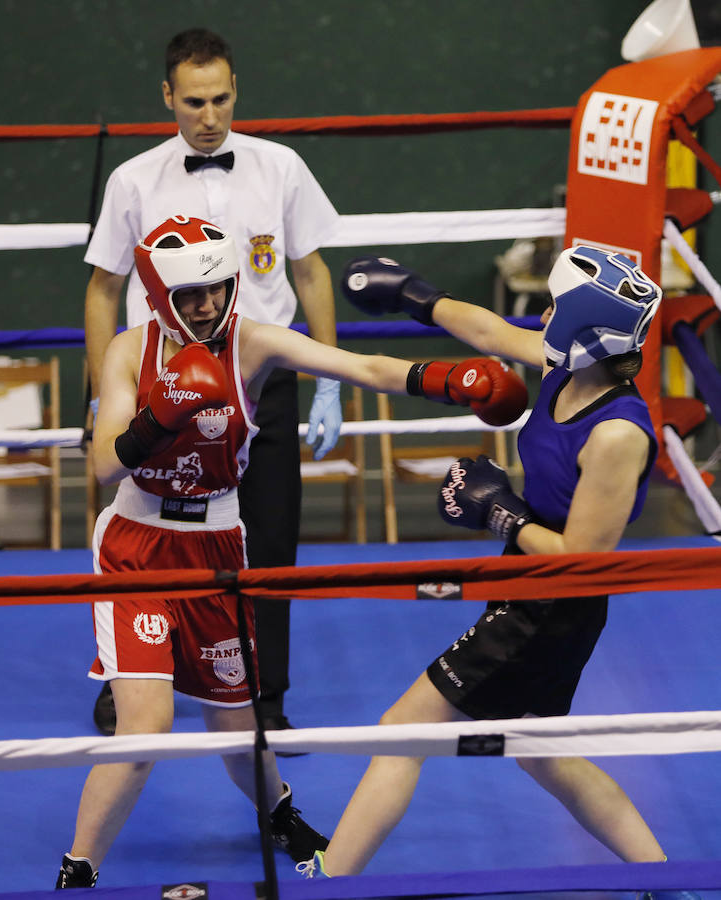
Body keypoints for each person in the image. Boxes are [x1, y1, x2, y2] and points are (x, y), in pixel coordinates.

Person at [55, 214, 529, 888]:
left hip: (217, 543)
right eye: (190, 296)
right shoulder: (130, 352)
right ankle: (79, 868)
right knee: (147, 724)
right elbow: (103, 465)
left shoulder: (252, 343)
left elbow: (359, 365)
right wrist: (161, 415)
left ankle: (278, 812)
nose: (207, 305)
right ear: (161, 296)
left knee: (234, 715)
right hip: (137, 544)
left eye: (216, 290)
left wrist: (447, 381)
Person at [298, 246, 698, 897]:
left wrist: (499, 513)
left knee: (403, 730)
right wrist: (413, 295)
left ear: (583, 325)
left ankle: (328, 880)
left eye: (556, 307)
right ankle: (667, 880)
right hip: (527, 585)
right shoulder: (564, 367)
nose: (542, 314)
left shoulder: (617, 434)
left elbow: (582, 562)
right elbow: (487, 329)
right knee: (543, 753)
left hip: (551, 605)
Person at [85, 28, 343, 738]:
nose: (209, 115)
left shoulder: (280, 166)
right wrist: (102, 389)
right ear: (167, 96)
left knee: (270, 541)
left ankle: (264, 697)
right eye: (194, 101)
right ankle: (126, 680)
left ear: (236, 93)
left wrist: (328, 380)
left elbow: (310, 270)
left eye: (221, 99)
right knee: (140, 530)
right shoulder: (134, 179)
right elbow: (103, 290)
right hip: (159, 385)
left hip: (262, 379)